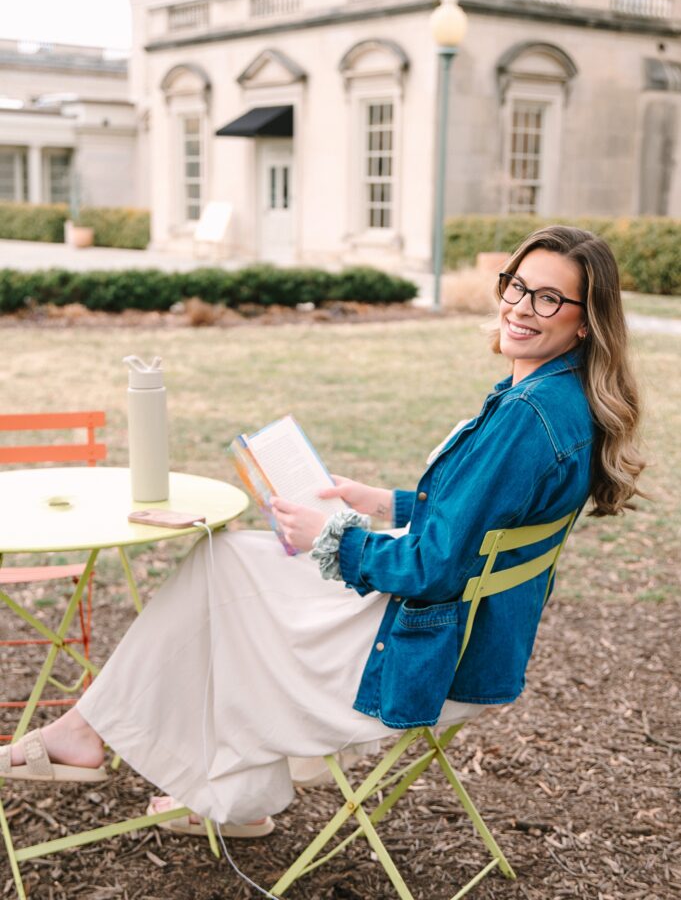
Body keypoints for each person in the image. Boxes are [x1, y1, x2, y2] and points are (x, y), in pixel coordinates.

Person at [0, 225, 645, 838]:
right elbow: (479, 518)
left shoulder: (528, 415)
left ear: (585, 320)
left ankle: (100, 737)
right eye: (516, 285)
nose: (522, 307)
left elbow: (435, 567)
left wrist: (331, 536)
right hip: (464, 632)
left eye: (549, 297)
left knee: (223, 574)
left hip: (423, 647)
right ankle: (220, 790)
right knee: (231, 564)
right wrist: (383, 503)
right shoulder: (559, 398)